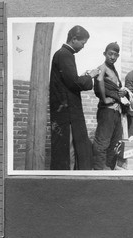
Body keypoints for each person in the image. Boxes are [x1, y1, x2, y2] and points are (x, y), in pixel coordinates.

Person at [49, 25, 100, 170]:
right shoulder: (65, 54)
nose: (83, 47)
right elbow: (73, 83)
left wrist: (83, 77)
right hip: (67, 112)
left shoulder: (64, 53)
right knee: (69, 148)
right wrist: (90, 76)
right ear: (74, 39)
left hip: (64, 109)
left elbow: (69, 80)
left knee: (69, 147)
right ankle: (69, 177)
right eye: (83, 43)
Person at [92, 42, 128, 170]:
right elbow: (100, 80)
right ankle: (98, 171)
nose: (113, 57)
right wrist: (104, 99)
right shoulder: (102, 67)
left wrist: (121, 92)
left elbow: (116, 88)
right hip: (107, 111)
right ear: (105, 54)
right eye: (110, 54)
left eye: (115, 55)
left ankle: (108, 170)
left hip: (116, 112)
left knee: (115, 143)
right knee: (102, 143)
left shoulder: (113, 70)